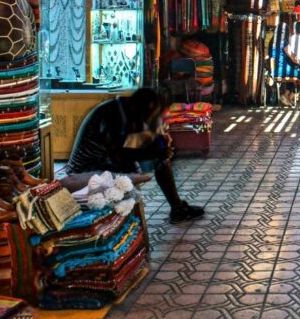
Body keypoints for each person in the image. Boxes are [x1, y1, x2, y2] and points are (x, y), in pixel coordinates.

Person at [66, 89, 205, 224]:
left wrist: (160, 140)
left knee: (158, 154)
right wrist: (156, 152)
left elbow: (137, 140)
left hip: (105, 161)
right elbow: (119, 156)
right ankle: (176, 208)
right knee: (155, 158)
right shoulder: (112, 115)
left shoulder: (126, 109)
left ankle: (178, 208)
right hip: (86, 169)